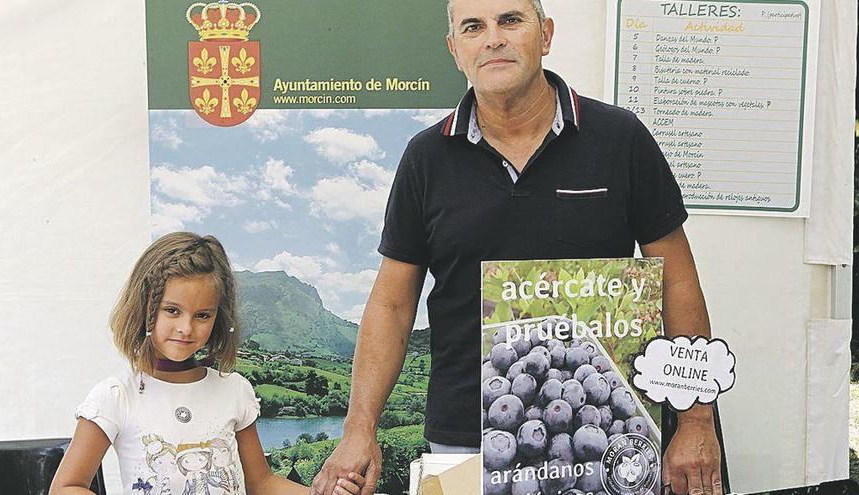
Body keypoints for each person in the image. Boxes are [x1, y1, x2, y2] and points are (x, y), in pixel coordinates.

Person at [310, 1, 726, 495]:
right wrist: (359, 429)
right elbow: (392, 304)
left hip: (610, 437)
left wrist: (696, 420)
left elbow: (676, 279)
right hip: (464, 442)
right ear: (455, 51)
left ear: (545, 35)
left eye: (510, 21)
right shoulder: (426, 158)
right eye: (473, 28)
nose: (493, 39)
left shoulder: (621, 139)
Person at [51, 232, 365, 495]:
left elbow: (262, 483)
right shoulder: (116, 395)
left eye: (202, 315)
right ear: (144, 306)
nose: (186, 328)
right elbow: (67, 487)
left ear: (218, 318)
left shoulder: (234, 390)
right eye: (172, 310)